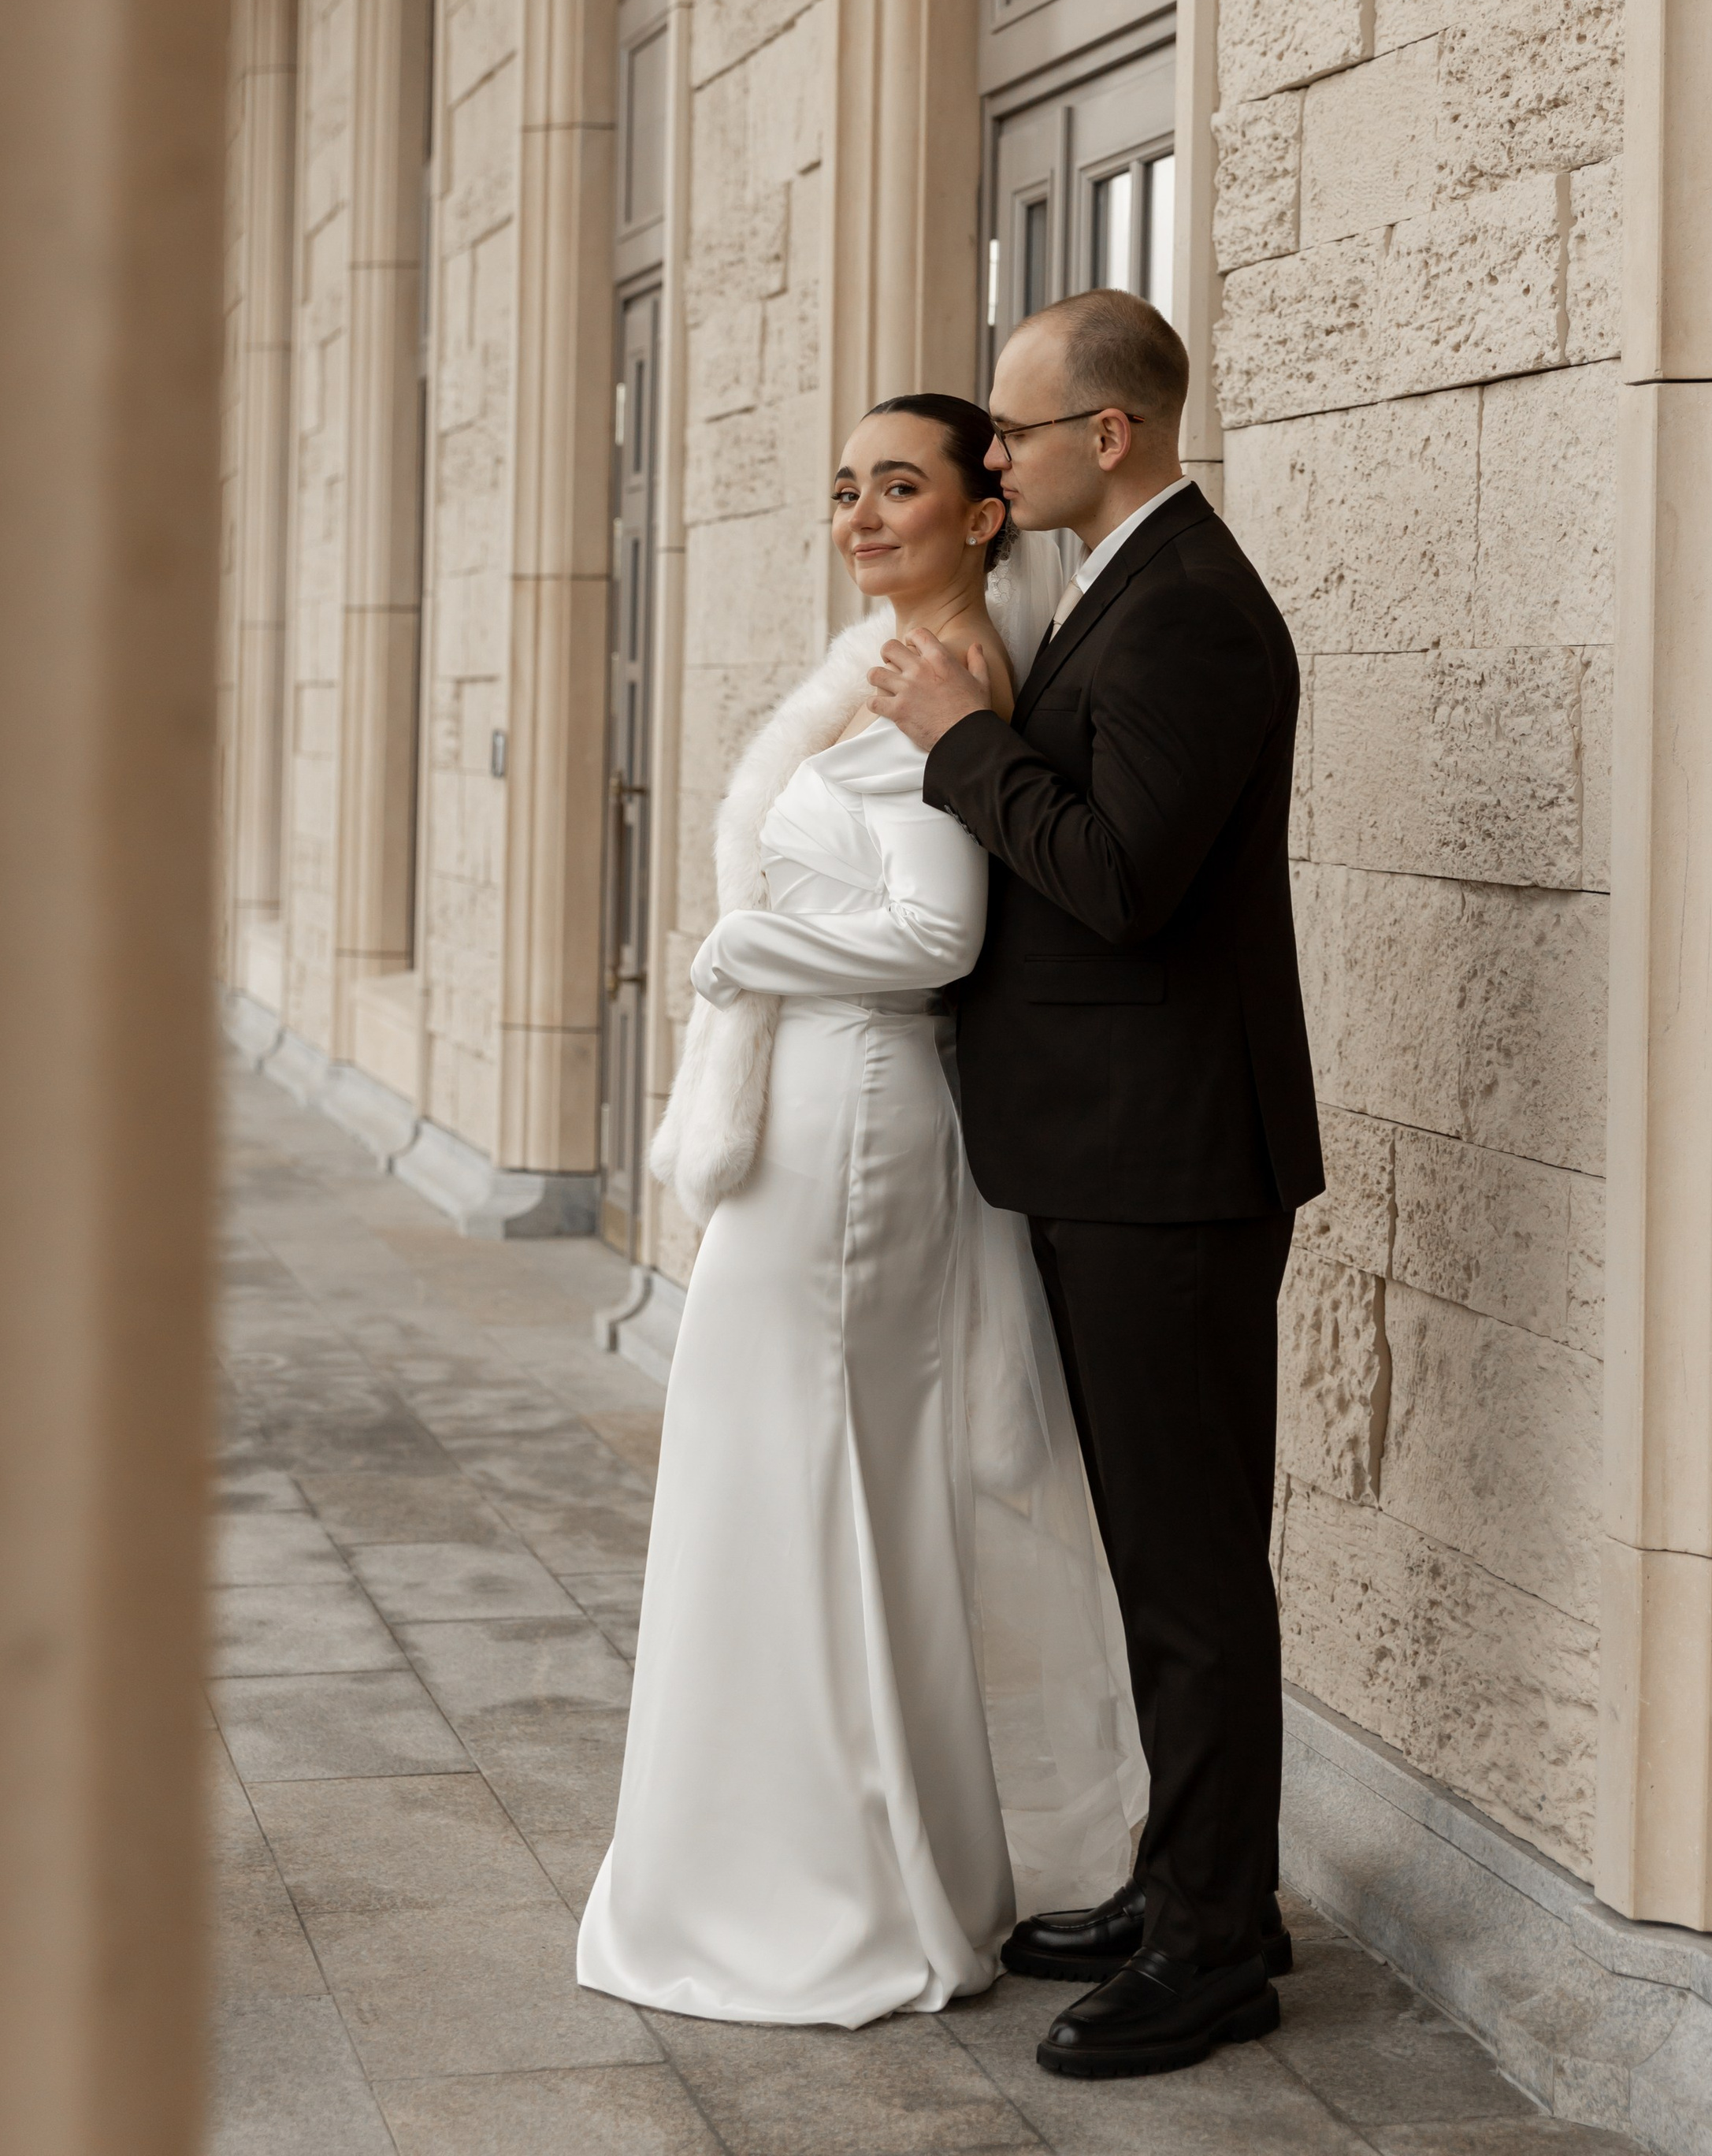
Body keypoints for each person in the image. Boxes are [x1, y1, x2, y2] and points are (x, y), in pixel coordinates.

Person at [576, 393, 1138, 2029]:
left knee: (817, 1474)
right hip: (803, 1109)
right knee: (768, 1477)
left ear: (982, 510)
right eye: (845, 488)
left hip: (856, 1126)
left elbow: (934, 938)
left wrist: (737, 949)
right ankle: (805, 1865)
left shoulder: (952, 683)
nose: (861, 513)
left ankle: (838, 1895)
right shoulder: (876, 667)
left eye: (899, 485)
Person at [869, 288, 1323, 2083]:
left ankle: (1216, 1949)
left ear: (1106, 436)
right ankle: (1191, 1882)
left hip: (1169, 1168)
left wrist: (959, 747)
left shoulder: (1191, 612)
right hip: (1117, 1151)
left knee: (1193, 1570)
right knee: (1161, 1557)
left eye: (1015, 431)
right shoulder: (1118, 588)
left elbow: (1120, 875)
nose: (992, 455)